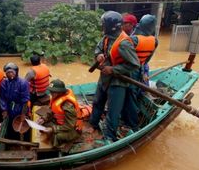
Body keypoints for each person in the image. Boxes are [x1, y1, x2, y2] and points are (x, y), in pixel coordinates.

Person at [89, 11, 140, 142]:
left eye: (103, 24)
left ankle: (109, 137)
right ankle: (93, 124)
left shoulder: (124, 43)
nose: (102, 26)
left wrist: (113, 69)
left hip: (118, 82)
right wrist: (98, 54)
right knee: (97, 102)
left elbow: (134, 65)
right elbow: (99, 48)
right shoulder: (107, 37)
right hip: (104, 78)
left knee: (113, 111)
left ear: (110, 26)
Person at [121, 14, 158, 132]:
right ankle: (128, 118)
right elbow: (147, 60)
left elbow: (123, 56)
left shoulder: (133, 39)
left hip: (130, 71)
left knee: (130, 96)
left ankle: (133, 124)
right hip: (140, 68)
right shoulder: (155, 41)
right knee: (133, 95)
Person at [37, 79, 80, 148]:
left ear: (59, 92)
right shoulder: (55, 97)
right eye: (50, 91)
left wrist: (53, 129)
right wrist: (44, 118)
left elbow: (70, 125)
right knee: (43, 125)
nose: (50, 93)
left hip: (72, 129)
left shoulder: (68, 105)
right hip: (60, 123)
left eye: (53, 92)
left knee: (56, 137)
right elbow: (51, 110)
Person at [0, 62, 30, 141]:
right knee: (11, 126)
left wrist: (23, 114)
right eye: (8, 73)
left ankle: (25, 140)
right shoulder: (4, 83)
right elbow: (3, 98)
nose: (10, 75)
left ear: (16, 72)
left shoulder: (23, 83)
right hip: (10, 108)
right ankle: (12, 141)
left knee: (23, 125)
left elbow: (25, 101)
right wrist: (4, 110)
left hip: (21, 107)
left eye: (11, 72)